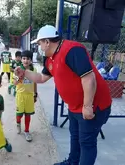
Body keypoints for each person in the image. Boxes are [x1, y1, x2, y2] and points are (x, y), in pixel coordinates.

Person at [14, 25, 112, 165]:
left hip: (93, 105)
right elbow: (41, 78)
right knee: (75, 136)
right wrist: (24, 72)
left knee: (86, 143)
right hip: (74, 106)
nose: (39, 47)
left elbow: (89, 78)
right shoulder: (50, 58)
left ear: (47, 42)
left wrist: (87, 106)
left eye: (40, 43)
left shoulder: (72, 50)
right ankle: (72, 162)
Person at [13, 50, 37, 142]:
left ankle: (27, 131)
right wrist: (19, 76)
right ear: (21, 59)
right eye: (24, 58)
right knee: (19, 115)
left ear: (31, 60)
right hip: (20, 95)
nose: (25, 61)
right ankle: (18, 123)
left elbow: (35, 83)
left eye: (28, 59)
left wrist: (35, 93)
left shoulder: (34, 70)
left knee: (28, 115)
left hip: (30, 96)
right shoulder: (18, 69)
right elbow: (14, 83)